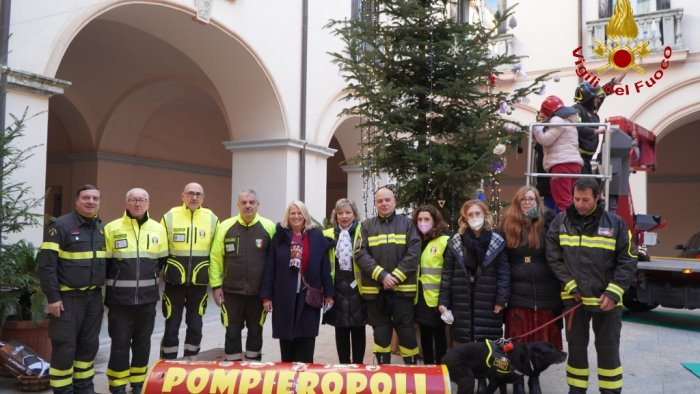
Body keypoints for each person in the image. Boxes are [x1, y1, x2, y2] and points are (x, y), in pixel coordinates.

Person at [546, 178, 637, 394]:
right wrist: (570, 286)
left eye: (585, 200)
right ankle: (576, 390)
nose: (579, 204)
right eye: (576, 199)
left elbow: (628, 259)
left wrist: (614, 292)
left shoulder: (616, 224)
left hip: (608, 301)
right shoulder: (560, 222)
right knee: (576, 350)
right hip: (574, 300)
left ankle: (610, 391)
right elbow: (553, 258)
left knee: (608, 350)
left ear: (598, 198)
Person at [38, 185, 106, 394]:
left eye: (95, 198)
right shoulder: (60, 226)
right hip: (68, 299)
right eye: (86, 197)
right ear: (77, 200)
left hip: (93, 298)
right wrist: (52, 297)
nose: (91, 202)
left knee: (88, 346)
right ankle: (63, 390)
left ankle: (84, 388)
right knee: (65, 347)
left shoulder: (100, 228)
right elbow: (47, 266)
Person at [438, 199, 509, 391]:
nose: (474, 218)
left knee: (490, 349)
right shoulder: (455, 242)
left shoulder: (497, 241)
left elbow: (503, 273)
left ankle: (491, 385)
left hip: (487, 301)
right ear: (464, 218)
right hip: (462, 301)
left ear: (485, 216)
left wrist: (502, 299)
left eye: (478, 214)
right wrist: (443, 301)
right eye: (470, 215)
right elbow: (447, 274)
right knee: (466, 348)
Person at [104, 188, 168, 394]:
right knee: (120, 343)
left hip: (147, 300)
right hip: (120, 301)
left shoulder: (158, 229)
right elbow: (105, 263)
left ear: (148, 203)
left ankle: (138, 384)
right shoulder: (112, 228)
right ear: (126, 203)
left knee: (142, 343)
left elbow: (162, 261)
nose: (137, 203)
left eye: (141, 200)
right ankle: (117, 385)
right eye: (132, 200)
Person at [499, 186, 562, 394]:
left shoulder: (548, 224)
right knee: (517, 345)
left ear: (538, 202)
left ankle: (534, 380)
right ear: (517, 203)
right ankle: (517, 381)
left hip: (545, 298)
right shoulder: (507, 226)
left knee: (538, 345)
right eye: (523, 199)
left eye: (531, 199)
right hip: (517, 298)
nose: (527, 202)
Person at [260, 200, 334, 363]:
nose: (296, 216)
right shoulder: (279, 236)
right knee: (287, 346)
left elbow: (324, 267)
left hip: (308, 297)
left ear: (305, 215)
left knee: (306, 346)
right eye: (292, 213)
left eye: (299, 213)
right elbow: (270, 267)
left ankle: (305, 383)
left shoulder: (316, 236)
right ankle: (288, 384)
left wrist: (328, 293)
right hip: (284, 297)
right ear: (288, 216)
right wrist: (267, 296)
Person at [355, 187, 421, 365]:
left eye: (387, 200)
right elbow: (360, 253)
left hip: (402, 290)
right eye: (380, 201)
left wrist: (395, 277)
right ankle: (383, 375)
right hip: (376, 291)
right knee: (381, 334)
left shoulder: (408, 224)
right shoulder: (366, 226)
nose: (384, 203)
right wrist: (383, 276)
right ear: (376, 203)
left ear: (394, 201)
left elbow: (414, 253)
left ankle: (411, 373)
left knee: (406, 333)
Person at [209, 189, 275, 361]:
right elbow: (216, 257)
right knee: (232, 331)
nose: (248, 206)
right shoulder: (225, 226)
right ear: (238, 205)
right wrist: (216, 286)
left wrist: (271, 292)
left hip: (258, 294)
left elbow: (274, 262)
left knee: (255, 332)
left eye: (251, 202)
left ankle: (253, 372)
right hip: (231, 293)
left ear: (257, 205)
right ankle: (232, 371)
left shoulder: (269, 227)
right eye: (244, 203)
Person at [159, 182, 218, 359]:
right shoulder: (170, 216)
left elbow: (216, 254)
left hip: (199, 284)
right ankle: (167, 366)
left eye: (198, 194)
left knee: (195, 327)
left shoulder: (212, 218)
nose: (194, 197)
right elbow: (160, 250)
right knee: (171, 327)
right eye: (190, 193)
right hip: (174, 283)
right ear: (182, 196)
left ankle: (190, 366)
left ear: (203, 198)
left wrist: (216, 283)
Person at [322, 198, 367, 364]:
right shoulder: (327, 234)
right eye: (340, 213)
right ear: (335, 215)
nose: (344, 216)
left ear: (354, 214)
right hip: (336, 287)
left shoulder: (363, 231)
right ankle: (344, 366)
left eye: (348, 212)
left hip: (358, 287)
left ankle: (358, 365)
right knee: (340, 328)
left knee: (358, 328)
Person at [412, 204, 450, 365]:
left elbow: (448, 274)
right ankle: (428, 368)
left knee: (439, 335)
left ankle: (440, 368)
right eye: (420, 219)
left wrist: (445, 299)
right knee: (424, 334)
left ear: (435, 221)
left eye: (426, 219)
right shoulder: (415, 240)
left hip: (437, 298)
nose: (423, 222)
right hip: (419, 297)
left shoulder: (444, 240)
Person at [533, 95, 584, 213]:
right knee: (571, 199)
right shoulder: (569, 122)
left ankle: (565, 227)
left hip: (561, 165)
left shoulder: (557, 121)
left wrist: (537, 129)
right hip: (574, 165)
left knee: (563, 201)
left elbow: (546, 140)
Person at [573, 73, 626, 175]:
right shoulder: (576, 110)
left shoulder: (592, 108)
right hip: (578, 158)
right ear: (588, 98)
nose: (598, 99)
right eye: (596, 98)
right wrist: (596, 131)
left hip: (587, 158)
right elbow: (577, 127)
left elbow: (603, 94)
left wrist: (613, 83)